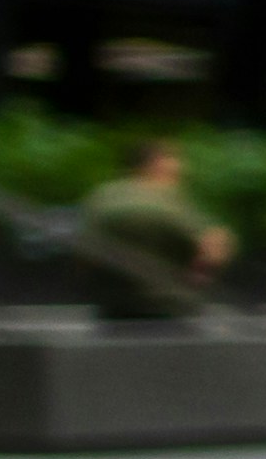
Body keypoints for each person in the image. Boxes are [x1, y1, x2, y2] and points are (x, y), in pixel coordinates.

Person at [70, 139, 232, 325]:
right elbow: (213, 249)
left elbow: (82, 255)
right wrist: (200, 276)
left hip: (112, 306)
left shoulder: (102, 195)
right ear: (158, 166)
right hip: (168, 306)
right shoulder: (167, 197)